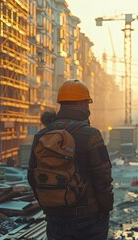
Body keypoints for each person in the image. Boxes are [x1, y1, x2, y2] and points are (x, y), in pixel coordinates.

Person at [27, 80, 114, 240]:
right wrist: (105, 207)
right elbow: (103, 177)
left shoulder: (42, 136)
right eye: (87, 103)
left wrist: (49, 203)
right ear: (82, 103)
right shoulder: (91, 135)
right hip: (88, 217)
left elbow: (32, 176)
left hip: (55, 217)